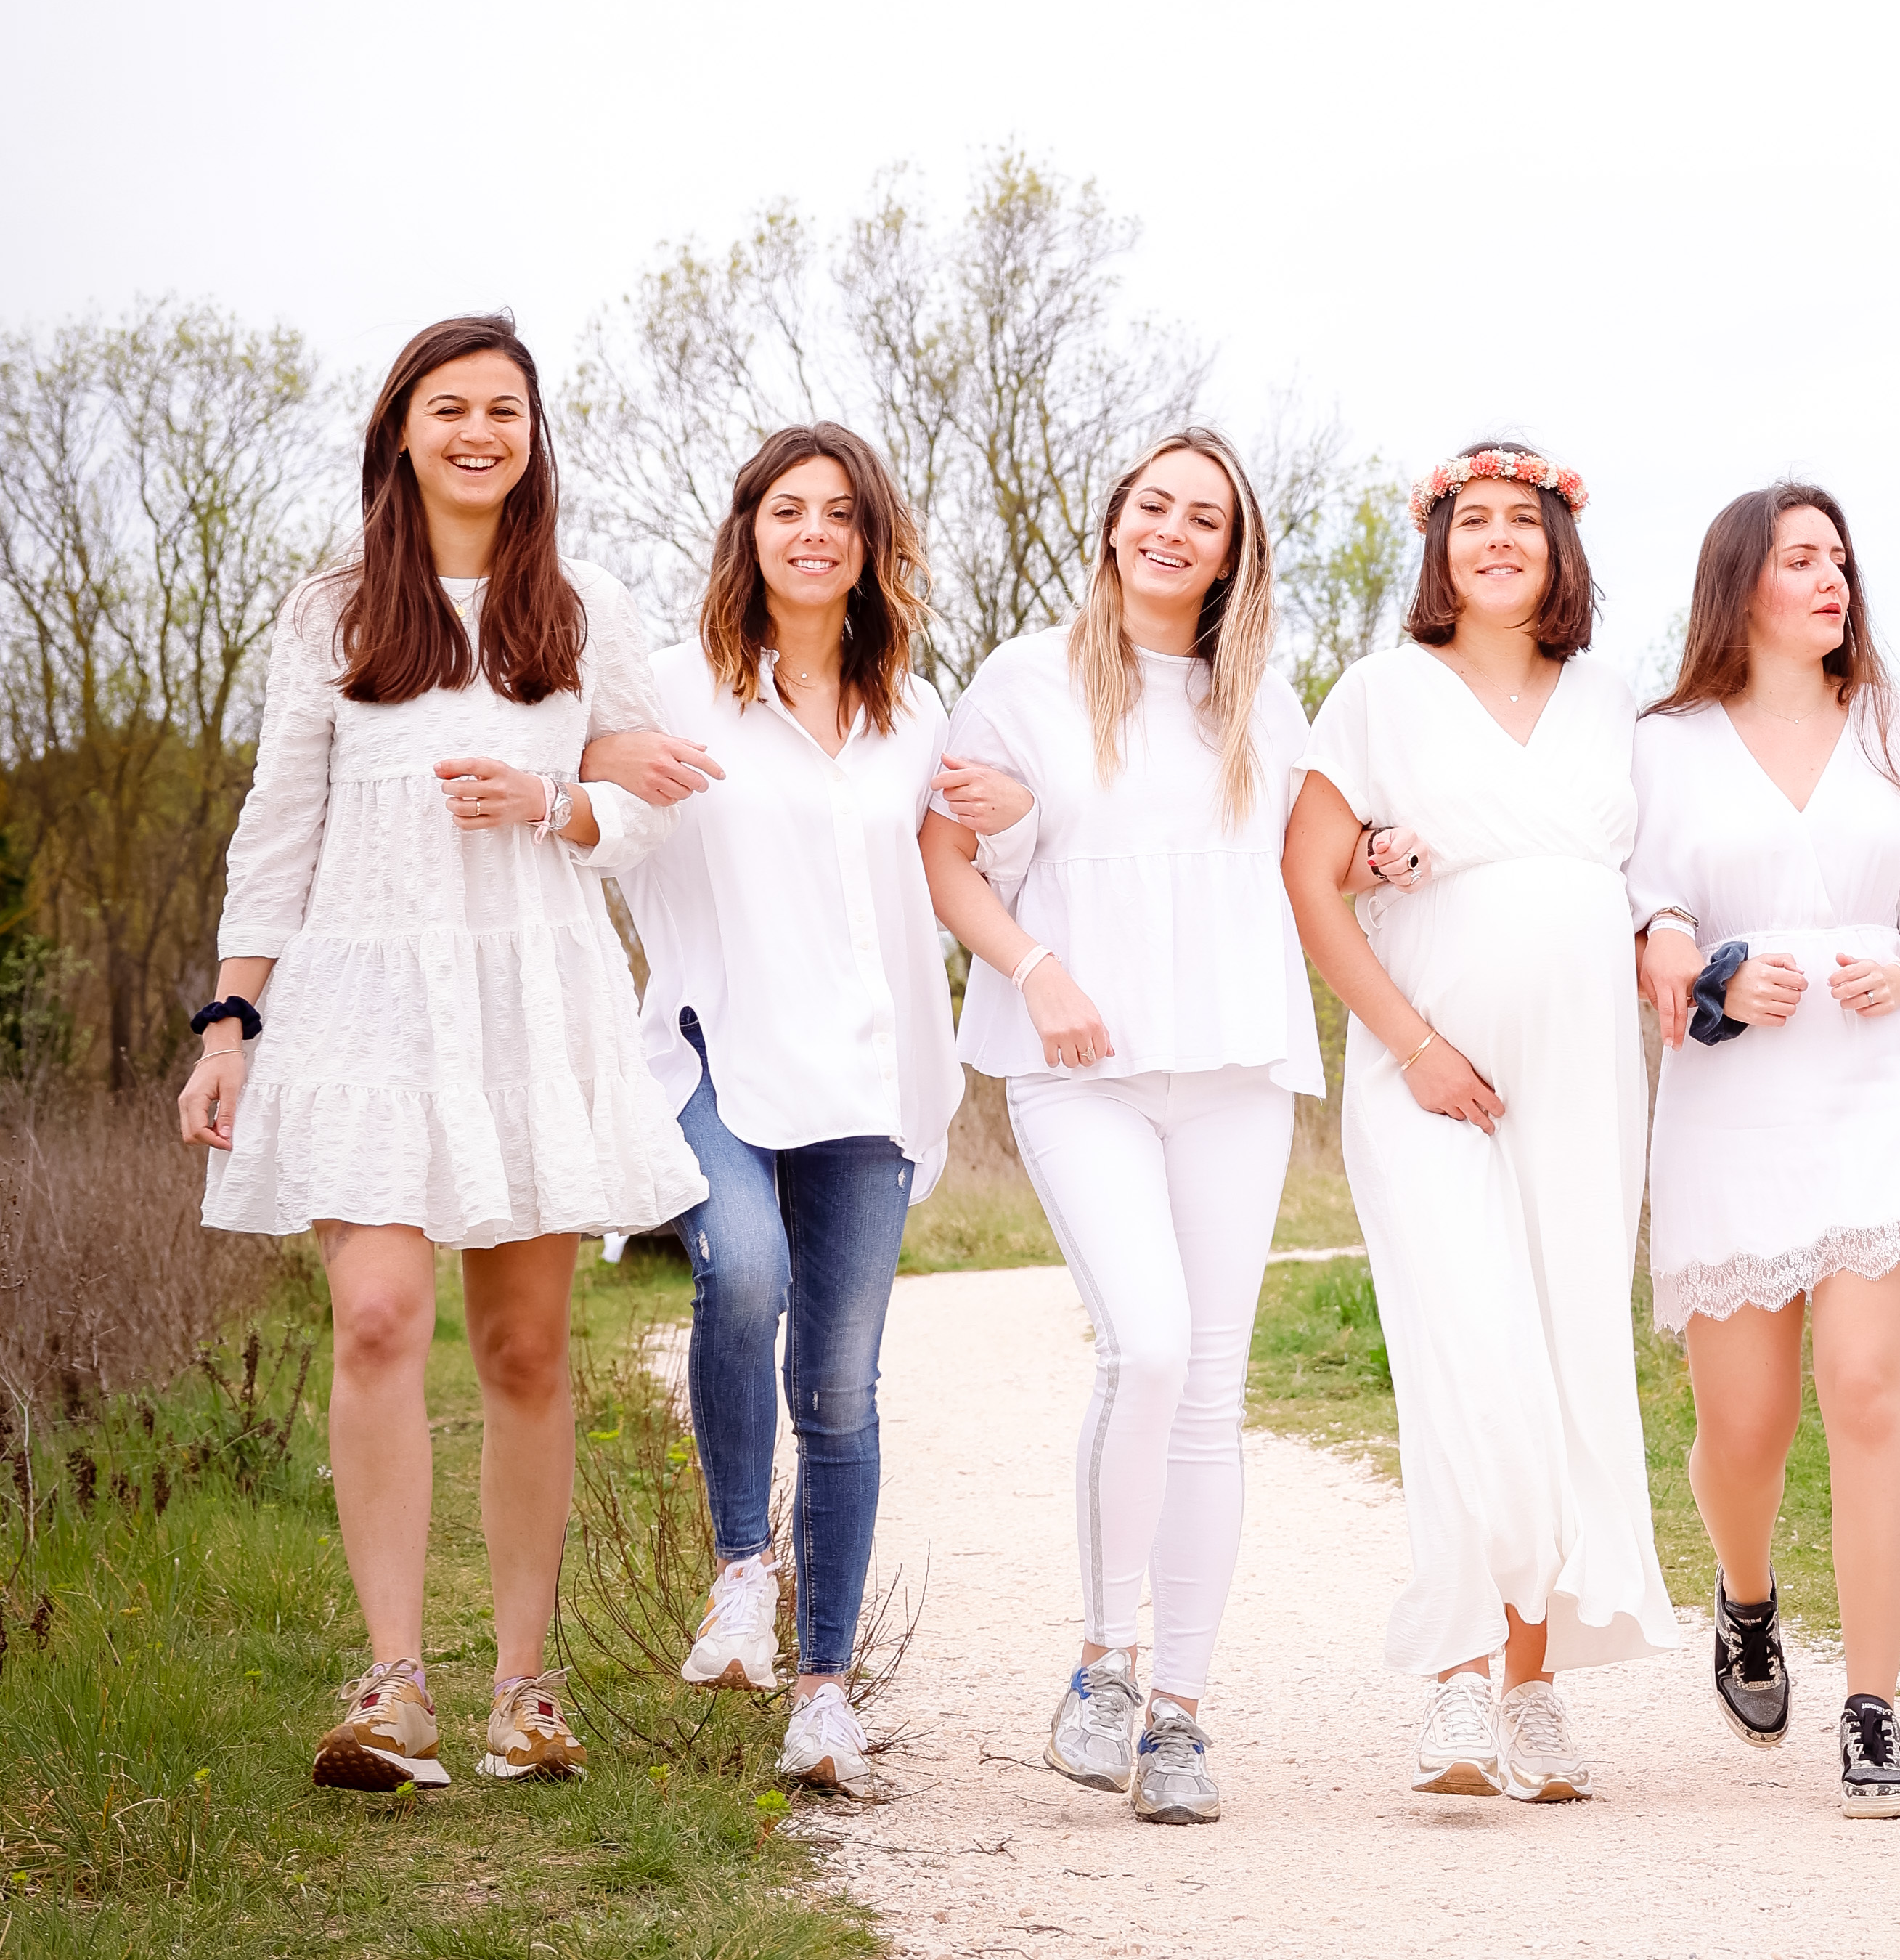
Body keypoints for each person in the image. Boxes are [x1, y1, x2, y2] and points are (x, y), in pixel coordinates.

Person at [177, 312, 701, 1792]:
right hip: (364, 1005)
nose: (479, 432)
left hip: (532, 1002)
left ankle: (524, 1691)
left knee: (524, 1349)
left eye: (505, 411)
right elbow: (279, 825)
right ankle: (393, 1684)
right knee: (377, 1318)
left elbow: (648, 801)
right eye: (451, 407)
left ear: (535, 437)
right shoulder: (331, 610)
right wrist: (230, 1022)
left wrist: (552, 801)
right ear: (400, 431)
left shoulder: (584, 607)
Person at [579, 419, 998, 1805]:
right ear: (748, 531)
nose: (813, 533)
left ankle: (824, 1696)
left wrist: (1020, 801)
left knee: (840, 1385)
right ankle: (742, 1574)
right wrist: (573, 784)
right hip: (717, 1049)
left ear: (872, 544)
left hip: (872, 1078)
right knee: (743, 1270)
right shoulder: (676, 691)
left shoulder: (916, 713)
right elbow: (596, 805)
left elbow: (965, 857)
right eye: (787, 510)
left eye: (840, 514)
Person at [924, 427, 1326, 1828]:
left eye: (1205, 518)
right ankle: (1103, 1664)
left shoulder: (1262, 701)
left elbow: (1307, 863)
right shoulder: (1024, 679)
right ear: (1113, 522)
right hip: (1080, 1070)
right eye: (1155, 504)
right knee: (1145, 1346)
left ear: (1232, 554)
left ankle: (1182, 1716)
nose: (1174, 530)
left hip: (1234, 1072)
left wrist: (1384, 856)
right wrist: (1037, 970)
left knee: (1211, 1389)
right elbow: (947, 859)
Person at [1283, 442, 1675, 1805]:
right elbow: (1312, 881)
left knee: (1563, 1359)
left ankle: (1533, 1688)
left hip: (1583, 1083)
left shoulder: (1615, 702)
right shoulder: (1380, 694)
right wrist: (1417, 1046)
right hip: (1427, 1074)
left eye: (1523, 520)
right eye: (1474, 522)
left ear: (1560, 548)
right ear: (1439, 549)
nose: (1498, 539)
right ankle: (1457, 1677)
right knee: (1468, 1357)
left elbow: (1657, 881)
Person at [1631, 479, 1900, 1820]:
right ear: (1740, 582)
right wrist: (1705, 963)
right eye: (1800, 560)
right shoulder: (1663, 742)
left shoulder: (1899, 725)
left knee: (1866, 1388)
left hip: (1880, 1075)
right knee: (1747, 1423)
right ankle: (1745, 1598)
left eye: (1839, 559)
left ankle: (1874, 1708)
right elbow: (1647, 906)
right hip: (1735, 1092)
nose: (1831, 580)